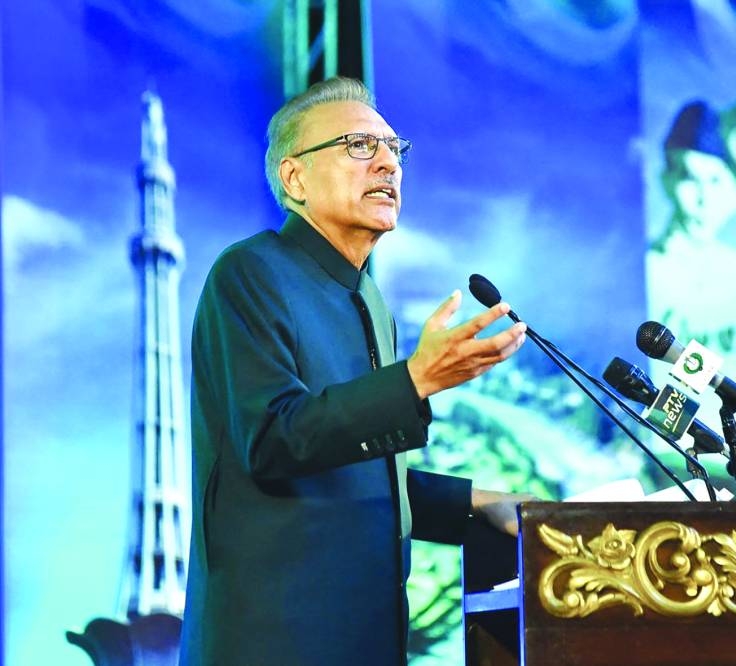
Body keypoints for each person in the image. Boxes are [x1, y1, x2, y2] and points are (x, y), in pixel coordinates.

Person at [179, 76, 530, 666]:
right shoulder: (249, 274)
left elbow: (356, 481)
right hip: (276, 641)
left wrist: (479, 501)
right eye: (360, 146)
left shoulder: (369, 300)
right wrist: (414, 381)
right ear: (295, 178)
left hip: (369, 639)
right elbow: (270, 443)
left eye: (396, 150)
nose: (389, 164)